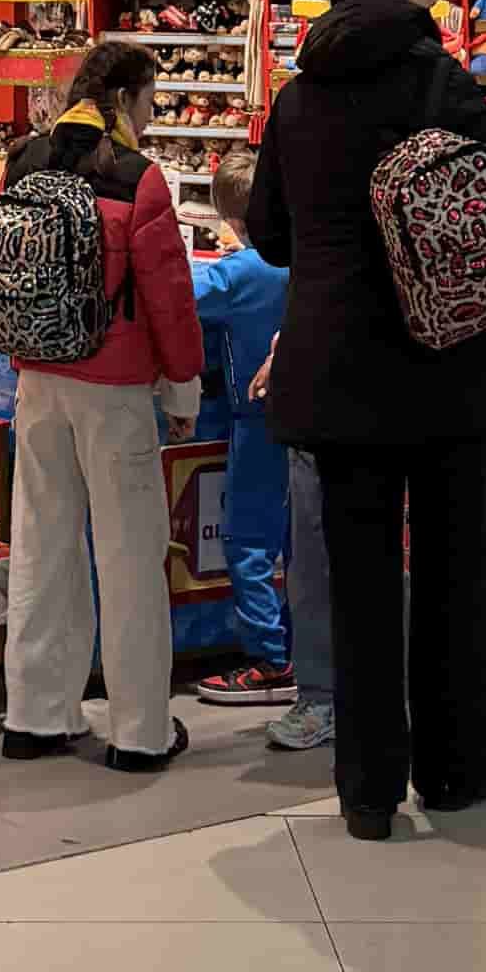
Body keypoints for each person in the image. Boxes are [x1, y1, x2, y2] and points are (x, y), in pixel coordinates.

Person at [253, 0, 486, 836]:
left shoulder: (298, 97)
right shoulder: (442, 85)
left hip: (339, 369)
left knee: (360, 579)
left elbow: (268, 233)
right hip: (450, 361)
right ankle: (460, 769)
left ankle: (367, 788)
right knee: (455, 574)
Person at [0, 40, 206, 770]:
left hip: (35, 377)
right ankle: (142, 731)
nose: (152, 119)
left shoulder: (25, 159)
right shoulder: (138, 181)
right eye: (150, 103)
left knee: (41, 545)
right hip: (114, 389)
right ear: (125, 99)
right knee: (128, 558)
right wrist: (183, 390)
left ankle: (35, 715)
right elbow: (170, 303)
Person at [188, 144, 295, 706]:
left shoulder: (233, 274)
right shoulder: (308, 256)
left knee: (249, 541)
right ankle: (309, 650)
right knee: (303, 538)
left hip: (255, 421)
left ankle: (270, 661)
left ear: (229, 219)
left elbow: (177, 304)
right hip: (313, 417)